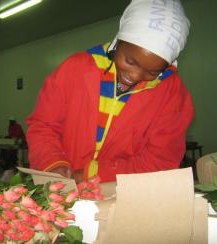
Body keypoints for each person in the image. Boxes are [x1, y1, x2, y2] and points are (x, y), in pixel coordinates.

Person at [26, 0, 194, 182]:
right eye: (130, 61)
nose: (135, 76)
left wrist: (91, 175)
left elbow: (160, 160)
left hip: (120, 192)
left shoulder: (171, 94)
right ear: (119, 40)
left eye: (152, 72)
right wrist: (53, 163)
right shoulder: (76, 69)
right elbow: (43, 125)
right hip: (61, 185)